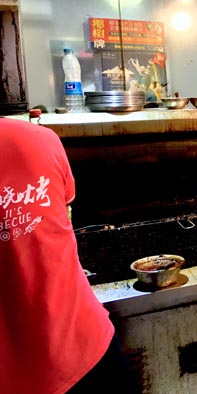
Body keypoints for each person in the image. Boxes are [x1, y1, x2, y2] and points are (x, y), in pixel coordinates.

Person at [0, 117, 136, 394]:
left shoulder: (37, 137)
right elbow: (63, 212)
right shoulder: (38, 138)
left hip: (78, 351)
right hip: (85, 350)